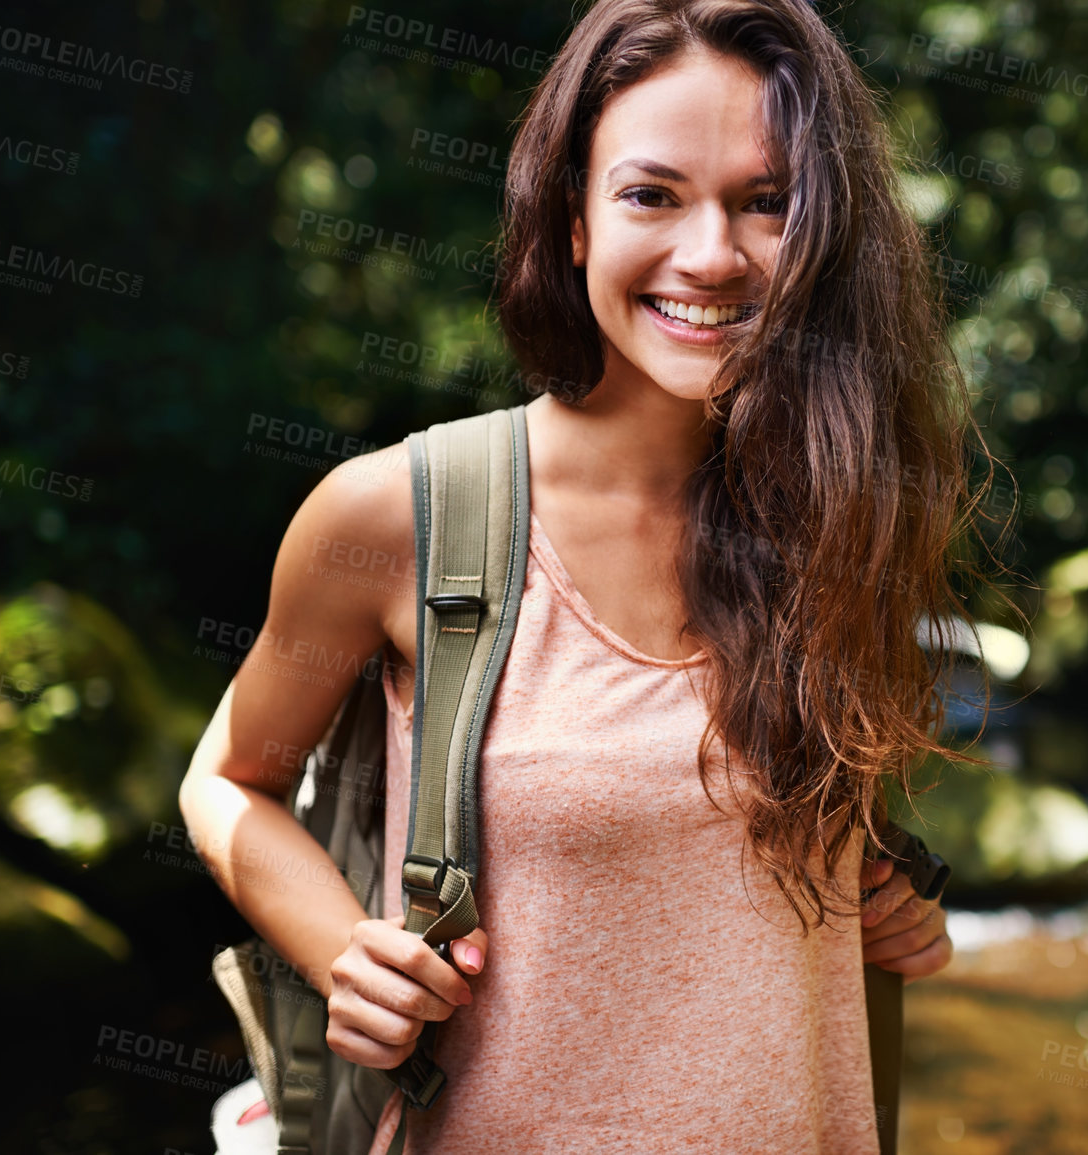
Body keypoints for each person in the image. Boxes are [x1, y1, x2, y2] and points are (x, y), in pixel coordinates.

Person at [180, 0, 1008, 1150]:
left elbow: (754, 858)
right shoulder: (401, 517)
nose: (712, 255)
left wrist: (879, 903)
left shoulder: (842, 510)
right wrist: (340, 953)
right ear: (573, 220)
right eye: (651, 195)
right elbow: (227, 782)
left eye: (767, 202)